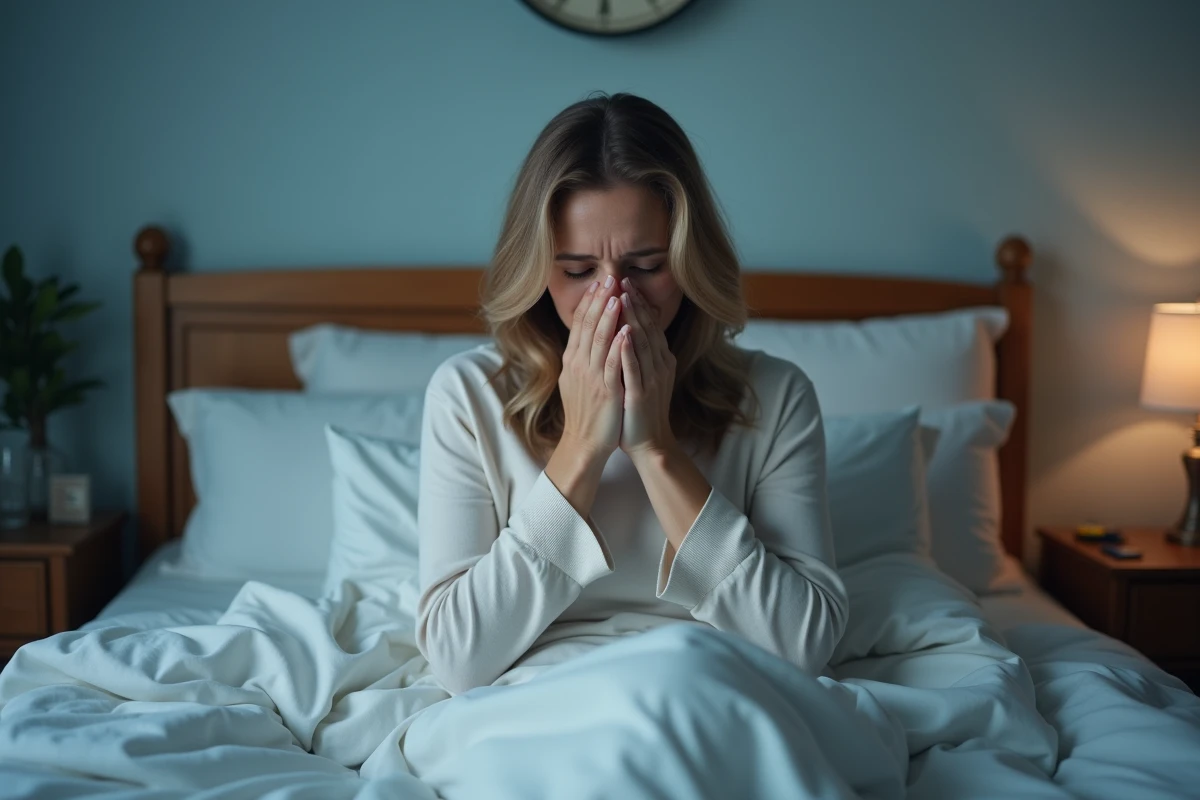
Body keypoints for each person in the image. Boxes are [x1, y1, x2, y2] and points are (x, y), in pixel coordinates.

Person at [415, 93, 848, 695]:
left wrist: (658, 450)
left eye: (646, 266)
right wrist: (581, 450)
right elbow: (458, 661)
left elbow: (802, 647)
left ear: (690, 260)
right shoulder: (468, 396)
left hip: (717, 691)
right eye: (577, 271)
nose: (615, 301)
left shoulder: (775, 396)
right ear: (539, 271)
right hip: (534, 702)